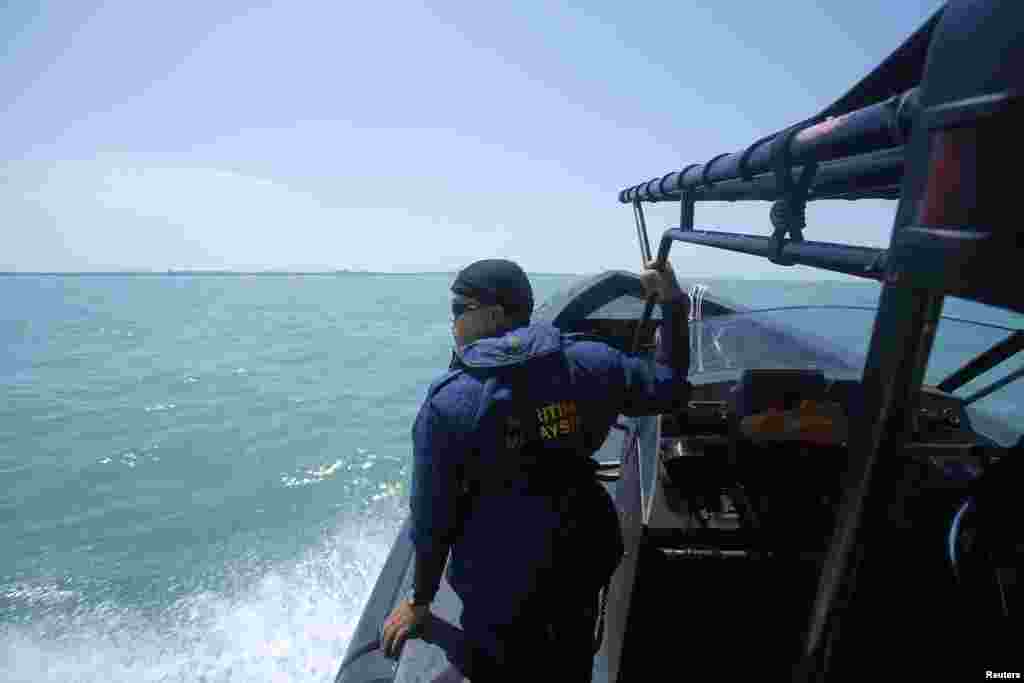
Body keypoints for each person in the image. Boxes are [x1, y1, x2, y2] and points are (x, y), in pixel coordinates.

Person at [382, 258, 692, 681]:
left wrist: (420, 600)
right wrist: (673, 305)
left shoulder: (449, 404)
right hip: (580, 560)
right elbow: (670, 388)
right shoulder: (592, 361)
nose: (453, 320)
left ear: (492, 314)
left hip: (497, 585)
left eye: (460, 308)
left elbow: (432, 521)